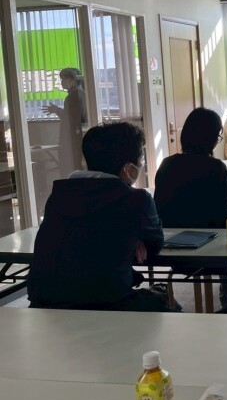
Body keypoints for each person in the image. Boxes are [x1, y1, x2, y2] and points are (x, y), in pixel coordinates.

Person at [28, 122, 175, 312]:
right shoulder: (136, 200)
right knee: (171, 309)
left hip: (44, 305)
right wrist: (138, 239)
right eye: (140, 159)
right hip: (108, 305)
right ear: (128, 169)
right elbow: (155, 243)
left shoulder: (59, 195)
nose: (141, 164)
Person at [154, 107, 227, 229]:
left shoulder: (167, 164)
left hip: (170, 235)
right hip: (207, 234)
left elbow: (158, 208)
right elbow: (222, 215)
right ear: (211, 139)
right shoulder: (217, 168)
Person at [43, 67, 88, 178]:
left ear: (72, 80)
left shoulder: (76, 96)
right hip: (72, 139)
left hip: (73, 140)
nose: (62, 82)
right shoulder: (75, 95)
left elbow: (73, 119)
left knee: (70, 171)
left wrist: (57, 110)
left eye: (63, 79)